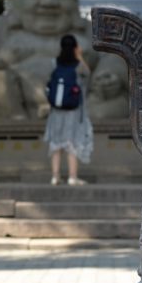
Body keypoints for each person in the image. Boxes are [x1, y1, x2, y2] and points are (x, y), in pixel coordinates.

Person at [44, 34, 93, 185]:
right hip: (73, 110)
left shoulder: (54, 63)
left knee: (56, 143)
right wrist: (79, 56)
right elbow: (88, 74)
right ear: (75, 47)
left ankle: (55, 176)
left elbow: (48, 85)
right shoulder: (78, 66)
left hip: (56, 111)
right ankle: (72, 177)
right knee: (71, 142)